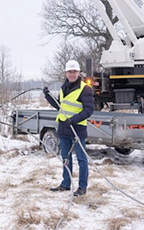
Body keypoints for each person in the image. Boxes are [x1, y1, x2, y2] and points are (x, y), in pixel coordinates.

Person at [43, 60, 94, 196]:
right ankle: (66, 183)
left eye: (74, 72)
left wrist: (74, 120)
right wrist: (48, 96)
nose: (72, 74)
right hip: (63, 128)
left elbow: (89, 110)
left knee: (82, 159)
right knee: (65, 157)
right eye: (69, 72)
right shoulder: (63, 87)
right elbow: (61, 107)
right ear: (66, 73)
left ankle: (82, 187)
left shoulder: (85, 89)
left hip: (77, 129)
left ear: (79, 73)